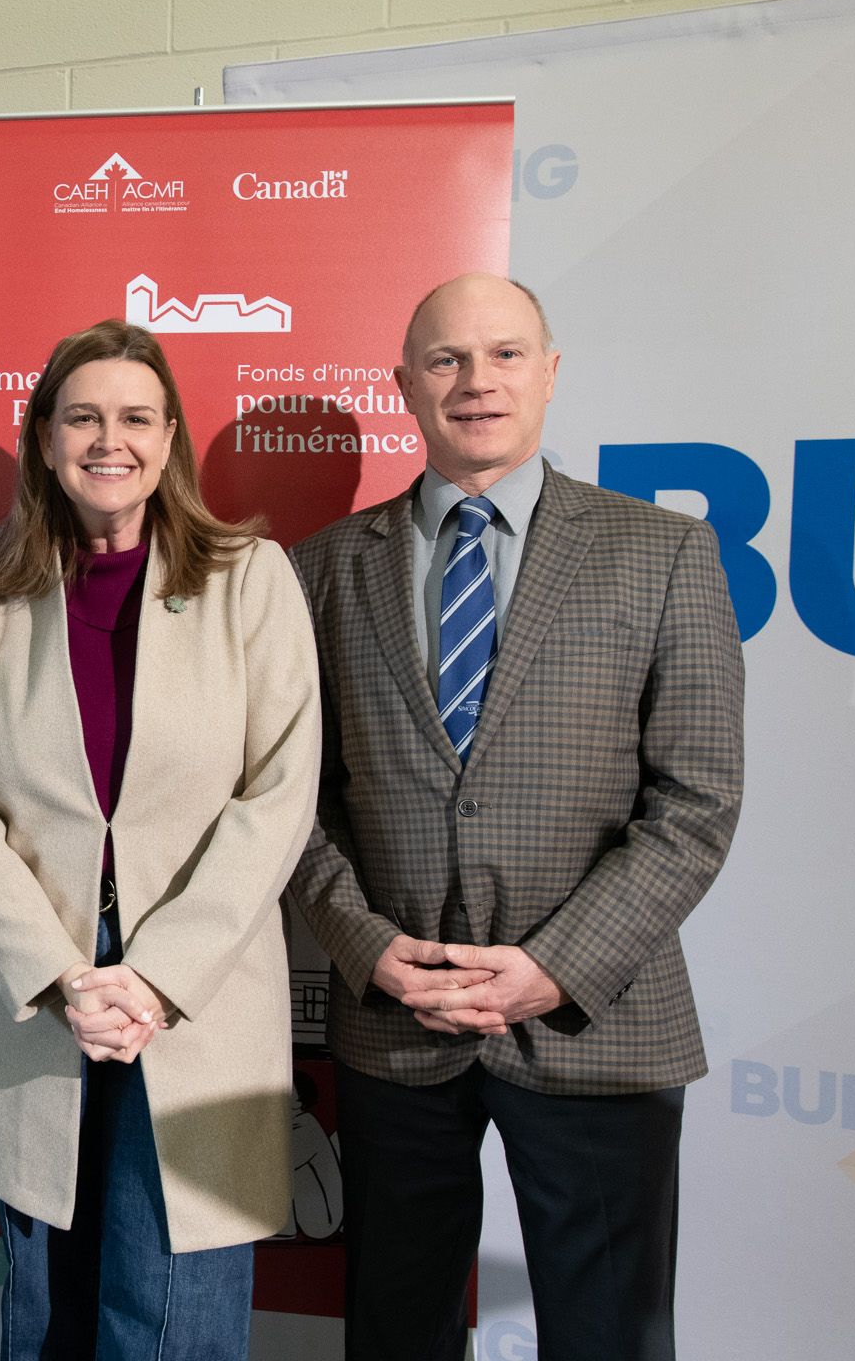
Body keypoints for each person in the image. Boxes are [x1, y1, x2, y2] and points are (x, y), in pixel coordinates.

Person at [287, 273, 744, 1361]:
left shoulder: (663, 552)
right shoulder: (320, 568)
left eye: (502, 354)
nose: (475, 381)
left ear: (548, 372)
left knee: (610, 1335)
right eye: (445, 359)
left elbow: (697, 801)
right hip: (400, 1026)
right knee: (395, 1330)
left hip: (597, 1023)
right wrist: (374, 950)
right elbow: (289, 798)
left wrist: (550, 966)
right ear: (404, 385)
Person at [0, 319, 321, 1360]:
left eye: (136, 416)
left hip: (195, 1001)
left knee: (175, 1316)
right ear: (44, 436)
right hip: (39, 999)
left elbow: (278, 794)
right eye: (84, 415)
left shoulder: (252, 578)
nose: (111, 439)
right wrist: (61, 973)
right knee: (46, 1307)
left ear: (170, 436)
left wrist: (153, 976)